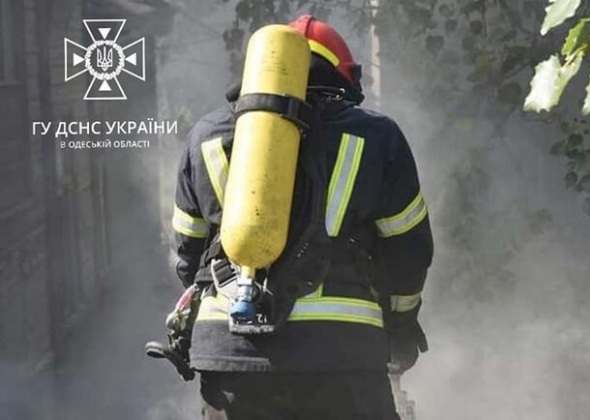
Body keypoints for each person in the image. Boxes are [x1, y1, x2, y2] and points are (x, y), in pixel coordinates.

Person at [171, 14, 433, 420]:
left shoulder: (205, 136)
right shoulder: (377, 137)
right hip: (343, 358)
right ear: (342, 79)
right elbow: (407, 251)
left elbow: (189, 255)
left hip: (231, 358)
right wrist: (400, 326)